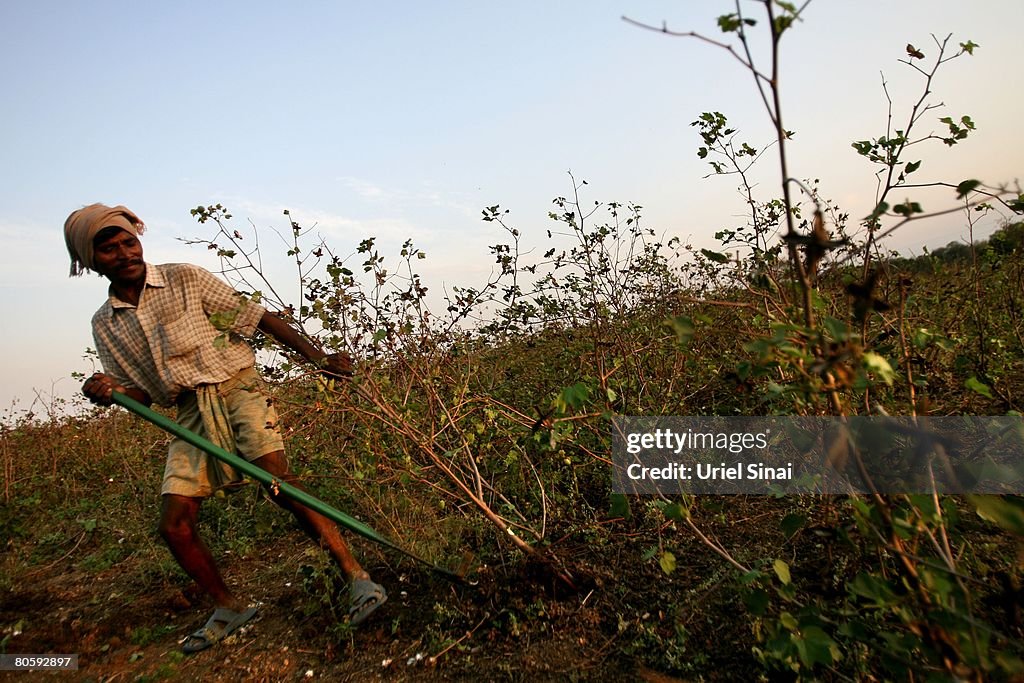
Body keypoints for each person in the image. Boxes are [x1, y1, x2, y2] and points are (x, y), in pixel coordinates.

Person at [64, 203, 387, 654]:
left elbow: (259, 319)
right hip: (189, 411)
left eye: (128, 242)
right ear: (91, 261)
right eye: (109, 249)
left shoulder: (184, 278)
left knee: (278, 481)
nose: (124, 253)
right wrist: (108, 389)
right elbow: (140, 394)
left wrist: (318, 360)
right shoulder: (106, 323)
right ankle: (228, 606)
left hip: (237, 387)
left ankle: (357, 578)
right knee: (174, 525)